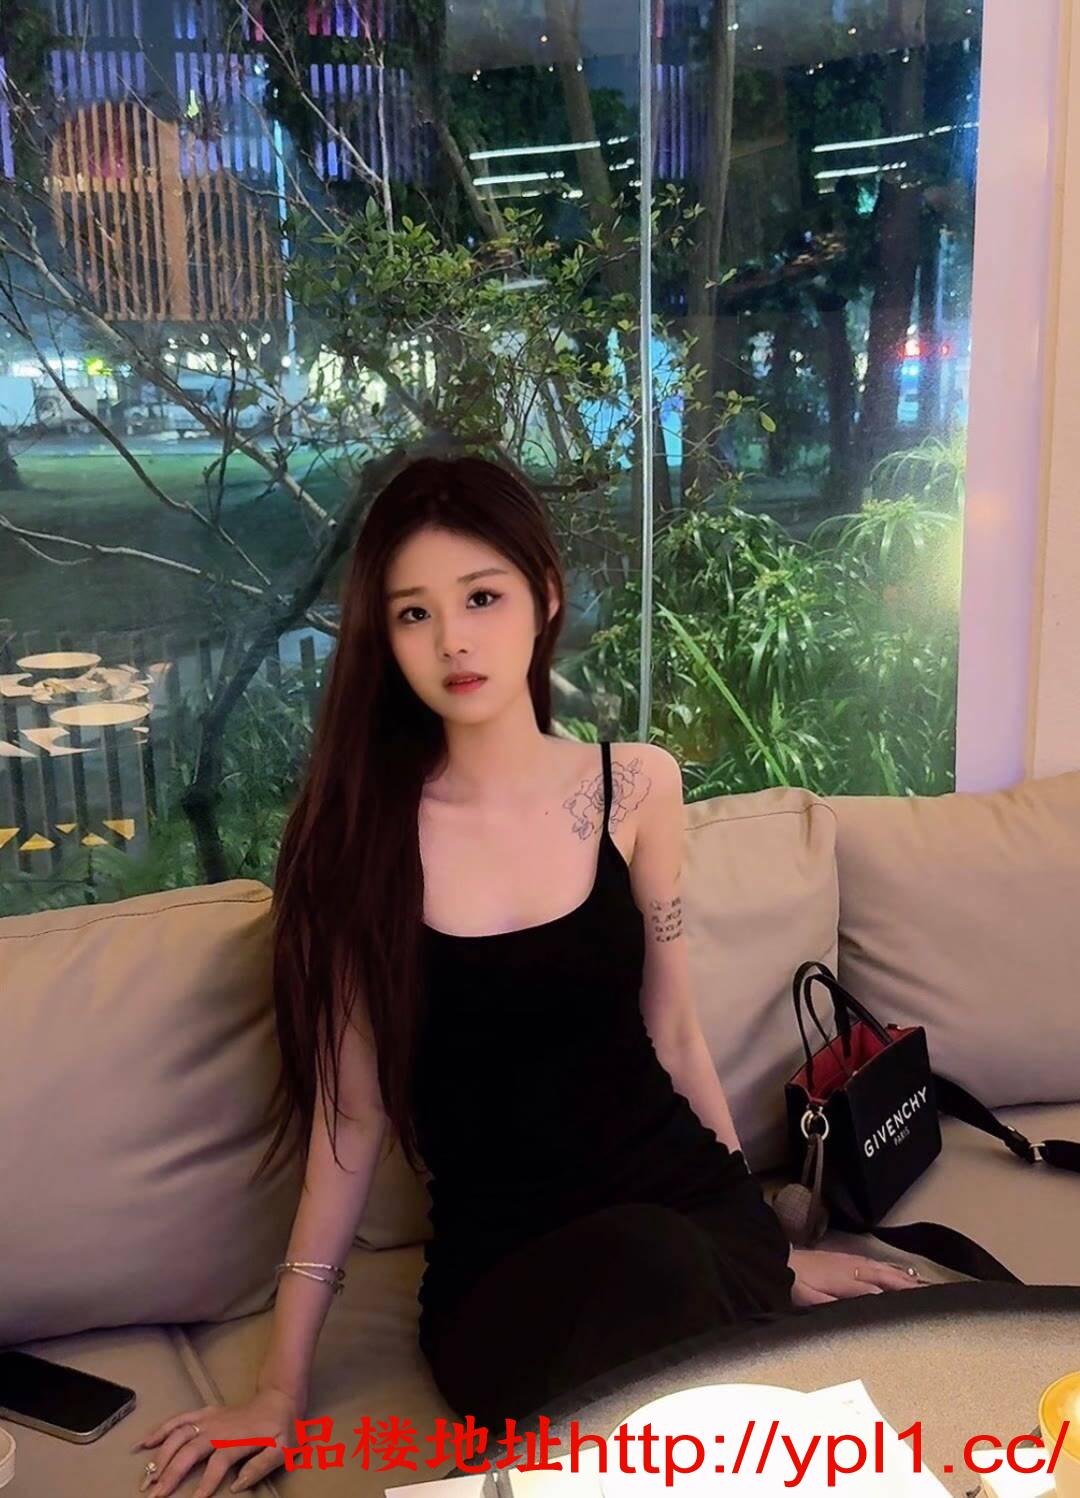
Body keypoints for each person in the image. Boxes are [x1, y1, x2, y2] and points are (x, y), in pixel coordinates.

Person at [131, 453, 928, 1498]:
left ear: (545, 595)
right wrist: (278, 1387)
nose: (453, 640)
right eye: (414, 614)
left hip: (687, 1206)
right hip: (507, 1274)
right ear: (383, 637)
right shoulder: (356, 841)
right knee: (667, 1294)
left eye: (482, 597)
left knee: (680, 1287)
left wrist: (764, 1247)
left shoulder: (636, 786)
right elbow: (350, 1123)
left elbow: (675, 1031)